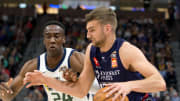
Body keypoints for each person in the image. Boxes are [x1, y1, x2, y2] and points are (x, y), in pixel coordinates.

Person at [24, 7, 166, 101]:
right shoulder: (91, 51)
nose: (87, 35)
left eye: (92, 30)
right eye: (87, 30)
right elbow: (80, 90)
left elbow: (159, 83)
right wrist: (45, 79)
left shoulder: (126, 51)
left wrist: (128, 86)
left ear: (107, 28)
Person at [0, 20, 99, 101]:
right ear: (44, 40)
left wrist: (77, 81)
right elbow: (9, 95)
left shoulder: (75, 58)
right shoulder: (33, 65)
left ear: (64, 39)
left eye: (56, 36)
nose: (52, 40)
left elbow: (100, 84)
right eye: (48, 36)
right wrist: (3, 93)